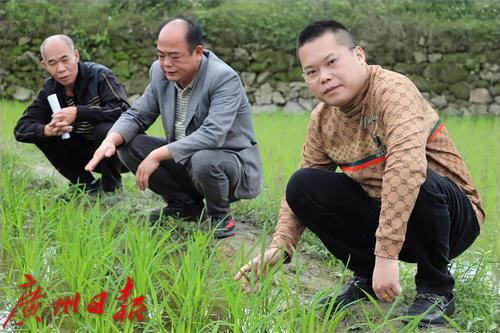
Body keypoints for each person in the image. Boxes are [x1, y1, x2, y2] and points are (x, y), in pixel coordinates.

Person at [235, 20, 484, 326]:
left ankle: (436, 288)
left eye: (332, 62)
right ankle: (365, 278)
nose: (324, 76)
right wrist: (279, 246)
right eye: (312, 72)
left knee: (414, 175)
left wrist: (387, 255)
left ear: (359, 56)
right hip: (389, 218)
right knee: (303, 185)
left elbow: (406, 168)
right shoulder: (322, 119)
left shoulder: (393, 91)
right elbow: (303, 184)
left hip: (451, 220)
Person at [86, 17, 263, 238]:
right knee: (128, 145)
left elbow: (213, 134)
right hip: (184, 158)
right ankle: (184, 205)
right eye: (160, 55)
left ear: (198, 52)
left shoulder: (223, 78)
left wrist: (156, 155)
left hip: (227, 165)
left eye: (174, 56)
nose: (166, 63)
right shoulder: (160, 73)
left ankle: (219, 214)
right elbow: (138, 114)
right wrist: (110, 140)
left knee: (203, 159)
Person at [14, 35, 129, 195]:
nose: (60, 68)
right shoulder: (49, 89)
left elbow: (123, 109)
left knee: (104, 129)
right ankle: (85, 186)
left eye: (65, 59)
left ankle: (111, 190)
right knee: (43, 134)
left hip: (119, 154)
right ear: (45, 65)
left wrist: (78, 112)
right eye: (52, 63)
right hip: (84, 155)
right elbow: (20, 129)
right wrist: (48, 130)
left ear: (76, 56)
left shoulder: (99, 75)